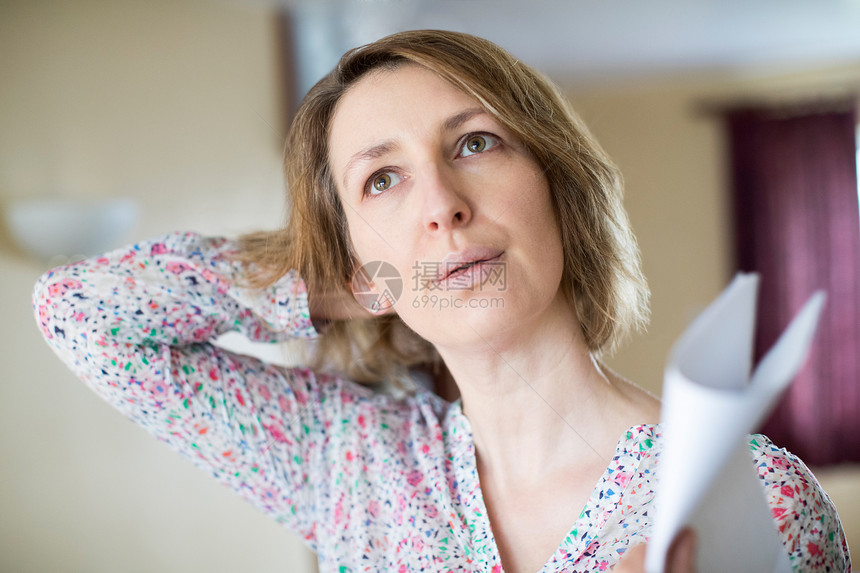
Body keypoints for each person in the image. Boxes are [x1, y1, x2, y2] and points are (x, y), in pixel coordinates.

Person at [33, 30, 849, 573]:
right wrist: (329, 277)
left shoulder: (761, 499)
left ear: (556, 186)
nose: (442, 204)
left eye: (475, 142)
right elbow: (79, 311)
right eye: (381, 179)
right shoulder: (343, 460)